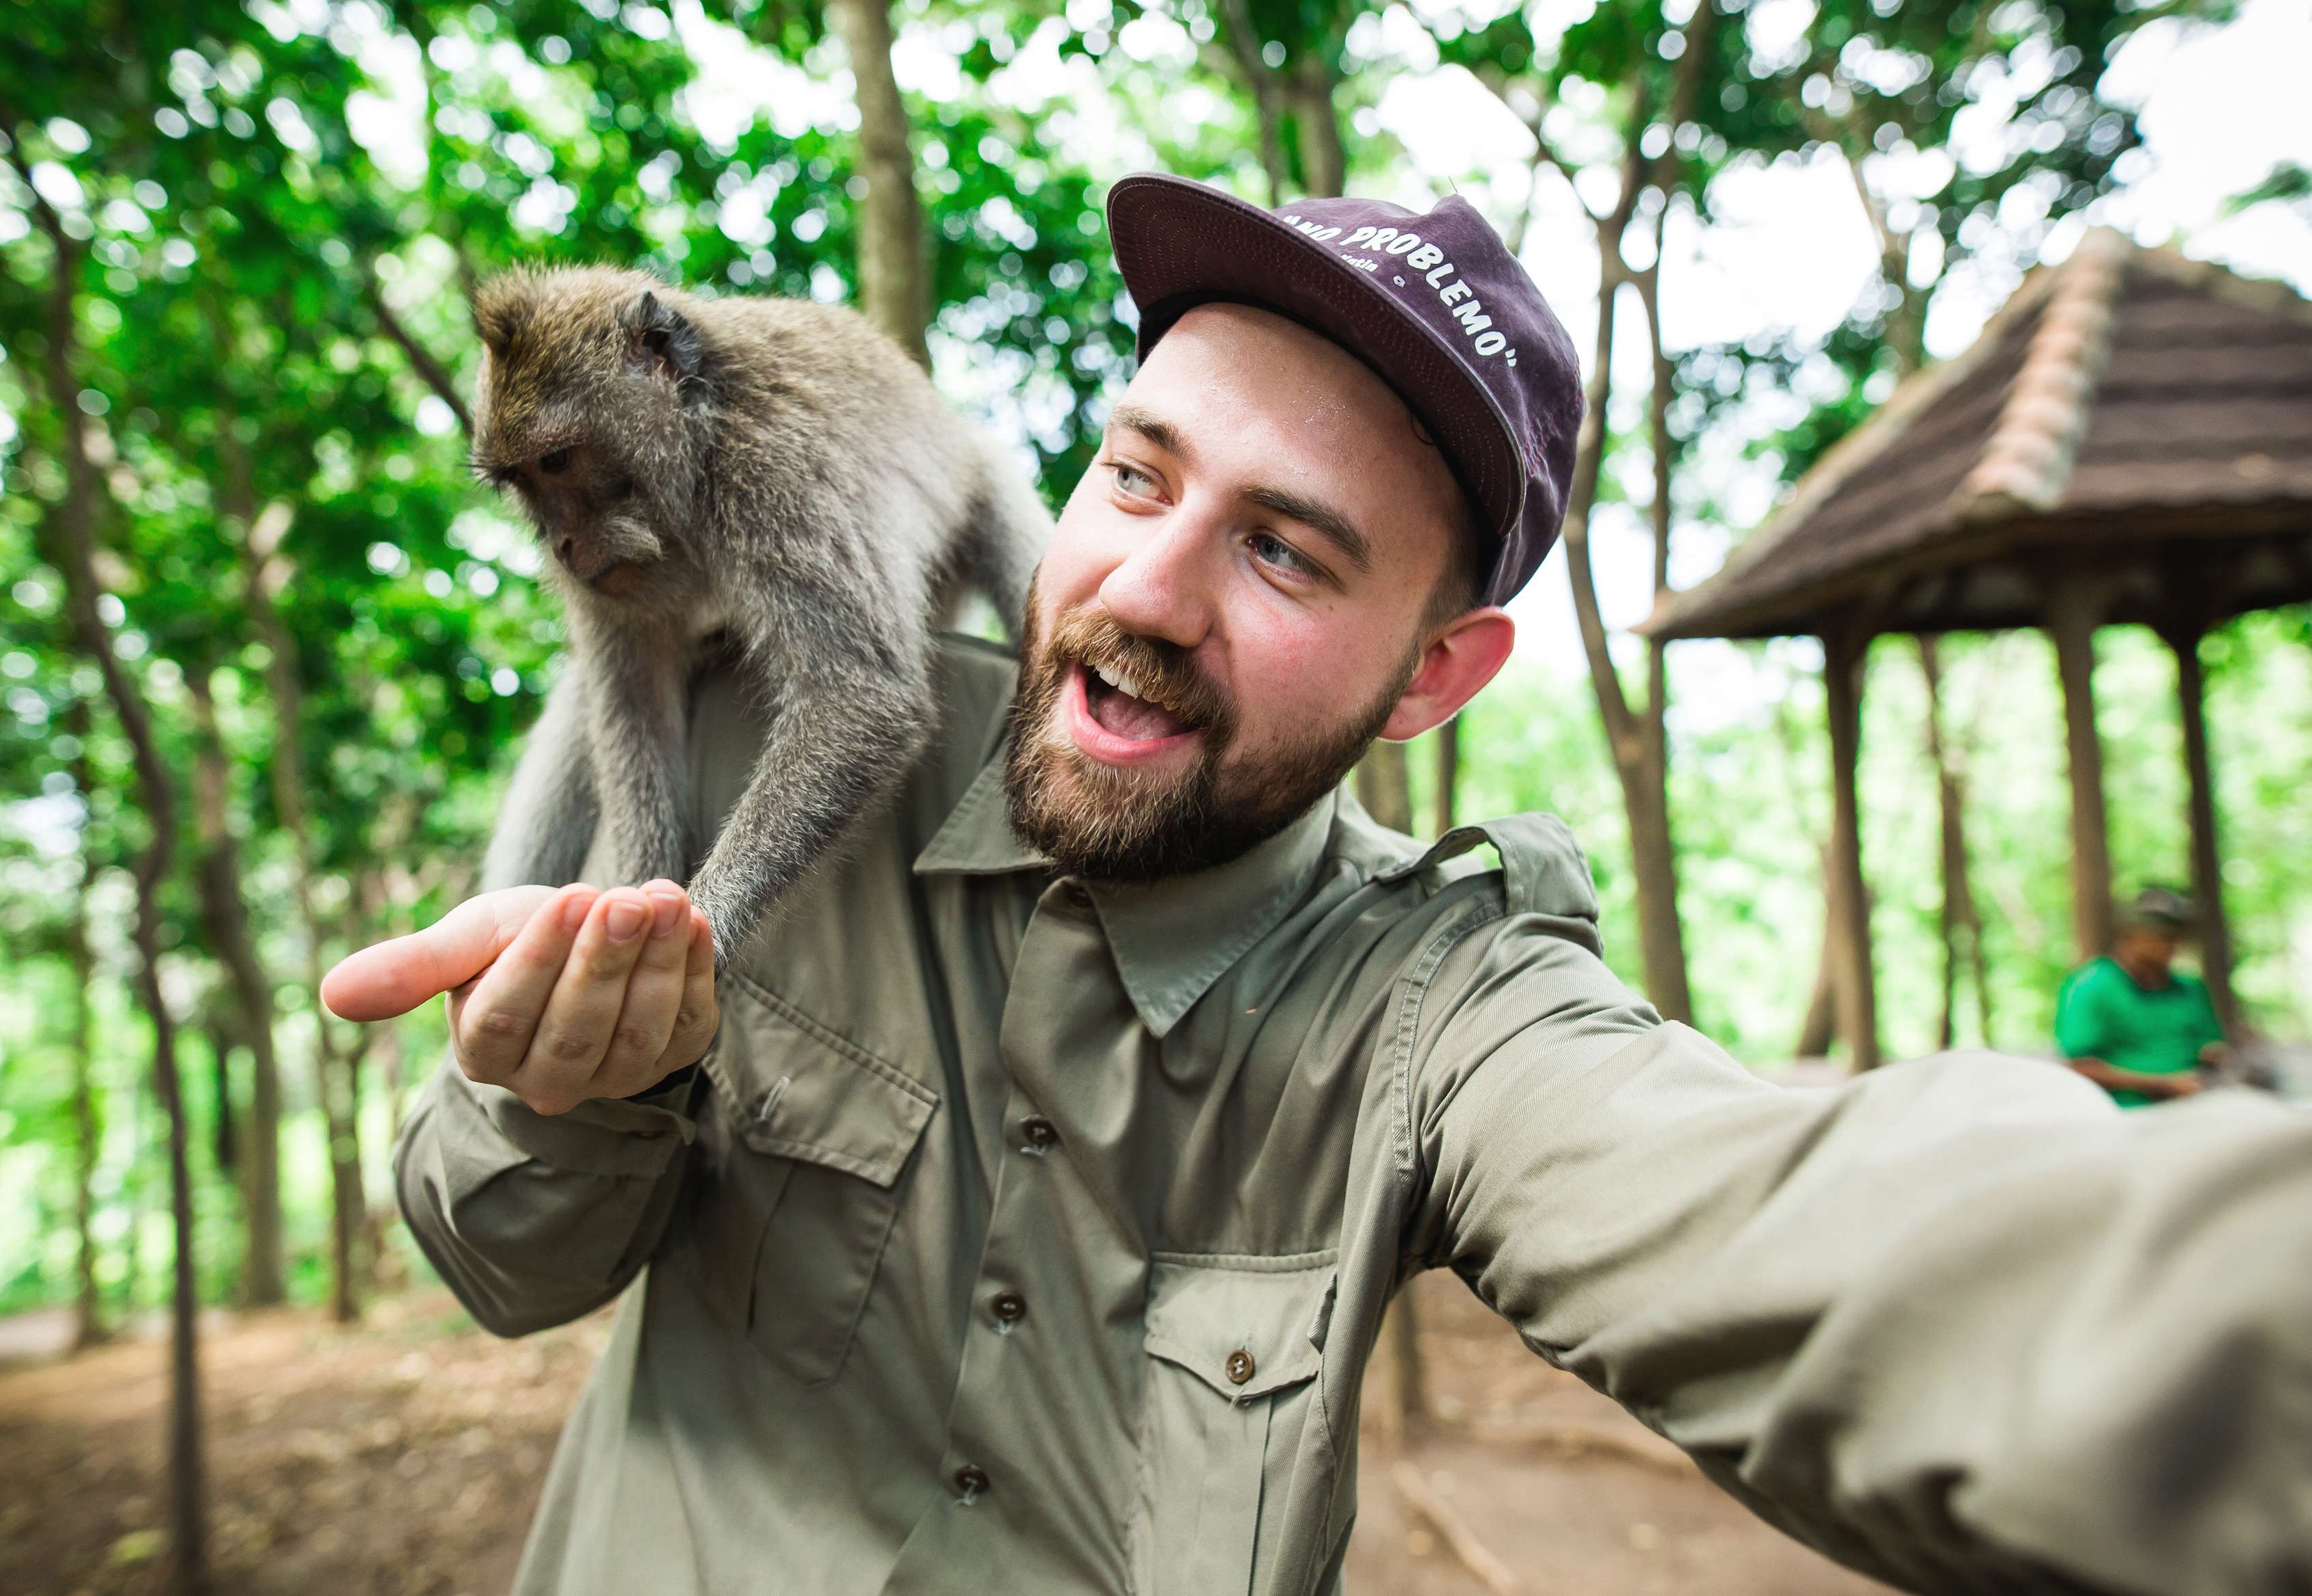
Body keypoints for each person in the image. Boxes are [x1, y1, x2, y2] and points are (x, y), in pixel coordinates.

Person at [322, 175, 2312, 1596]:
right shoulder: (779, 715)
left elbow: (1815, 1229)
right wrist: (550, 1082)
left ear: (1427, 679)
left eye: (1284, 554)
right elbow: (501, 1265)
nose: (1142, 595)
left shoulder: (1436, 1009)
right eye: (1132, 474)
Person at [2056, 887, 2230, 1107]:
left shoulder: (2190, 988)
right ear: (2130, 934)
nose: (2171, 945)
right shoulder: (2091, 985)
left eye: (2177, 935)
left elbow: (2209, 1044)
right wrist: (2163, 1084)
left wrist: (2212, 1056)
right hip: (2126, 1114)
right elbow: (2080, 1066)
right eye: (2162, 935)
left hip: (2196, 1104)